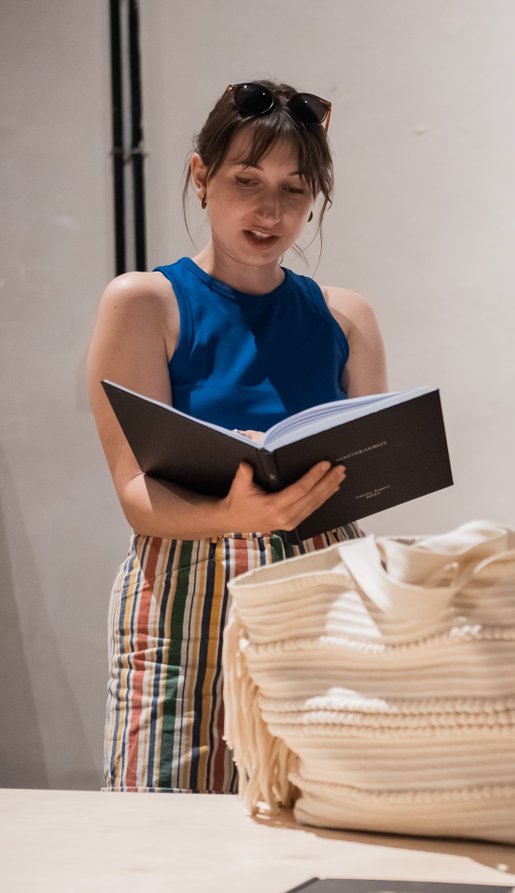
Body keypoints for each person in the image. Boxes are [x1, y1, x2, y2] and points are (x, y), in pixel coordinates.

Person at [87, 81, 387, 793]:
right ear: (201, 176)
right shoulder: (145, 301)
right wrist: (236, 516)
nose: (270, 210)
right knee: (159, 814)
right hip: (181, 595)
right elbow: (136, 492)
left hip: (319, 592)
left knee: (320, 816)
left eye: (294, 187)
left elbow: (372, 472)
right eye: (245, 181)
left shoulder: (346, 317)